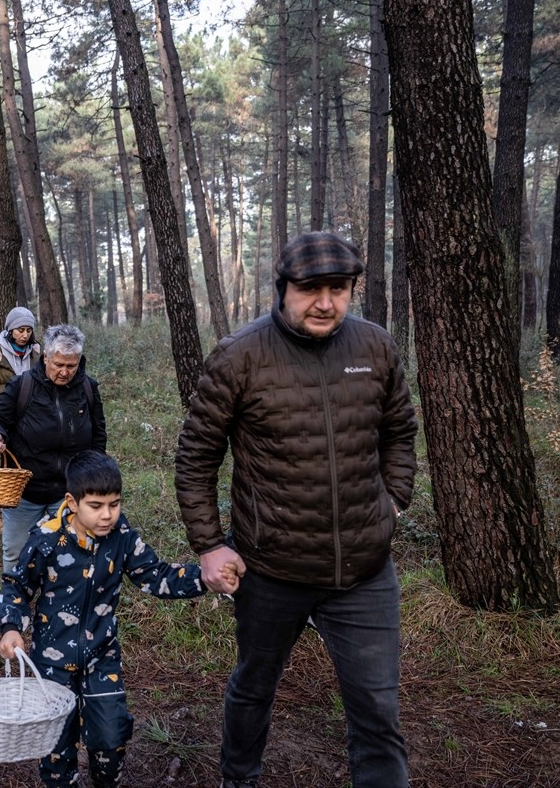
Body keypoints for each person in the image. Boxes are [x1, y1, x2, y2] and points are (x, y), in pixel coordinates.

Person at [174, 231, 419, 788]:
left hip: (364, 572)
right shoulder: (240, 355)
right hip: (271, 569)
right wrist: (209, 546)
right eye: (311, 289)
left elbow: (399, 432)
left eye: (339, 289)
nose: (326, 303)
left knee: (377, 709)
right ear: (283, 288)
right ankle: (239, 777)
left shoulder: (376, 347)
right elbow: (196, 457)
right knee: (254, 687)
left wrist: (393, 502)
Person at [0, 451, 208, 788]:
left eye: (114, 504)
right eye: (96, 506)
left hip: (102, 657)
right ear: (72, 502)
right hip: (51, 664)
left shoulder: (121, 536)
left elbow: (156, 576)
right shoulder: (47, 538)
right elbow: (17, 586)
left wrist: (207, 577)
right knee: (56, 747)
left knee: (110, 739)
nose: (107, 515)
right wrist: (10, 627)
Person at [0, 324, 106, 575]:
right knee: (16, 554)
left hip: (70, 492)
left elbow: (98, 435)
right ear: (46, 357)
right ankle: (15, 597)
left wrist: (93, 474)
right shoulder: (22, 385)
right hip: (25, 492)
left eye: (71, 366)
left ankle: (61, 598)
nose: (64, 372)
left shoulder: (87, 388)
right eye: (58, 364)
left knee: (72, 555)